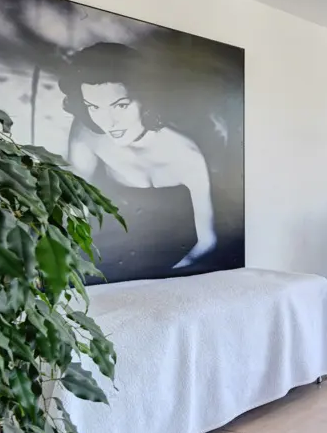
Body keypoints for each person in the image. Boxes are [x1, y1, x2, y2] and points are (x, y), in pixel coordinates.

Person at [59, 43, 216, 277]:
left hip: (172, 260)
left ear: (148, 99)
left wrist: (149, 280)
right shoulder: (87, 131)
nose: (108, 122)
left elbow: (206, 242)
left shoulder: (185, 155)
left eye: (120, 105)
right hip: (109, 252)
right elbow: (74, 206)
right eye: (93, 106)